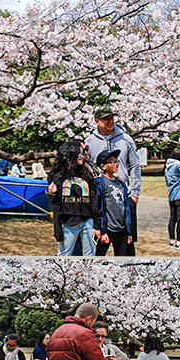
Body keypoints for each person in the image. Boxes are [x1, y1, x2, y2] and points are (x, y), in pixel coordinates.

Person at [85, 108, 141, 254]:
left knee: (127, 244)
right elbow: (87, 167)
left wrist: (134, 193)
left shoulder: (125, 139)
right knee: (99, 243)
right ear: (97, 121)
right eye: (105, 119)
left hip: (125, 195)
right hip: (101, 196)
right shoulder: (89, 142)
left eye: (111, 118)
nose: (110, 121)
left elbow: (135, 165)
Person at [47, 140, 99, 256]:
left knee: (90, 255)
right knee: (64, 254)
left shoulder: (87, 173)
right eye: (80, 153)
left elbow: (94, 200)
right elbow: (56, 205)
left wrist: (97, 225)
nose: (83, 156)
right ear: (71, 154)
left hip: (87, 221)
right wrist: (58, 230)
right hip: (68, 223)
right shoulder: (59, 176)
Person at [93, 149, 134, 256]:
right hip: (107, 229)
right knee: (98, 256)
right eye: (111, 162)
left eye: (116, 161)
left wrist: (129, 232)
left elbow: (126, 208)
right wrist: (101, 231)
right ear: (103, 166)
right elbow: (97, 207)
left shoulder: (121, 183)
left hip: (122, 229)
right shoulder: (100, 182)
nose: (116, 164)